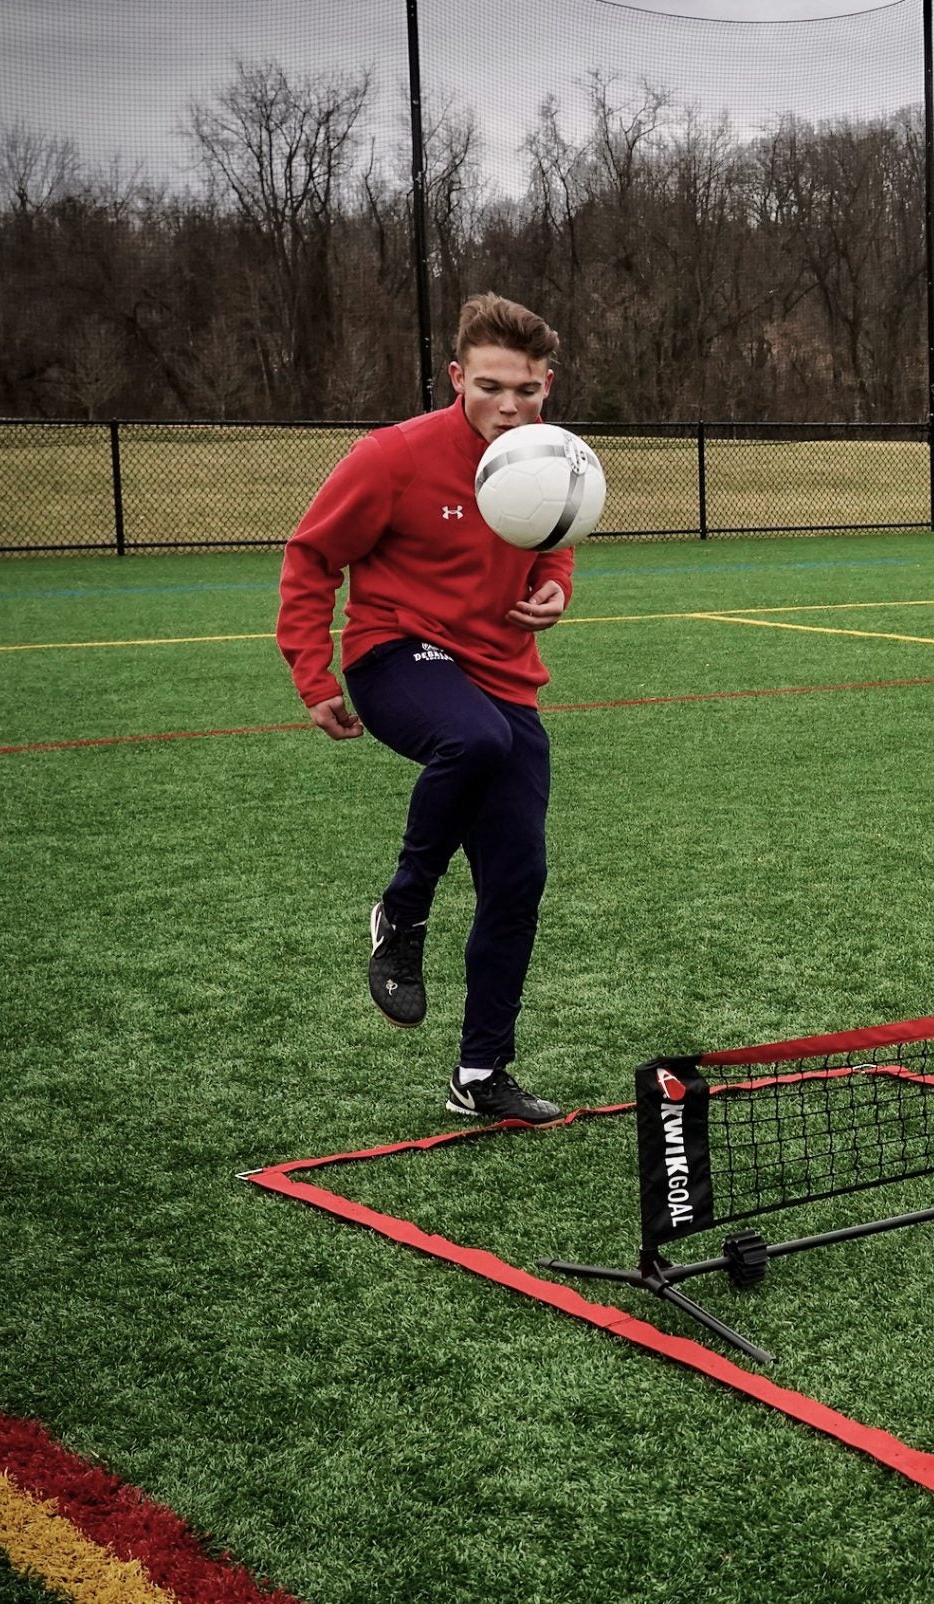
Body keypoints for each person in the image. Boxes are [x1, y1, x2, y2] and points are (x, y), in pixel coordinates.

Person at [277, 293, 575, 1126]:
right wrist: (314, 676)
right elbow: (311, 557)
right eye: (489, 387)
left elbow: (555, 544)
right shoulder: (393, 457)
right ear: (456, 378)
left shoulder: (552, 457)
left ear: (547, 385)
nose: (508, 407)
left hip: (504, 674)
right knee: (472, 738)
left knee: (518, 882)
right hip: (396, 654)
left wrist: (553, 589)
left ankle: (480, 1075)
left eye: (525, 390)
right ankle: (401, 912)